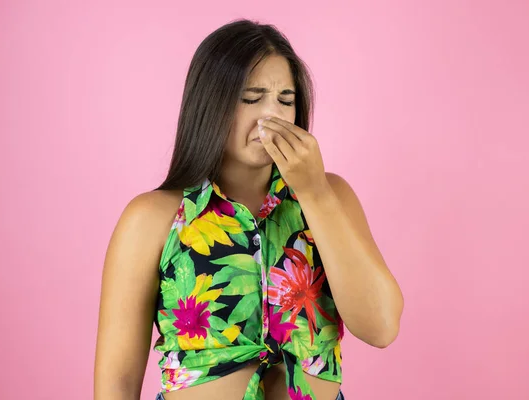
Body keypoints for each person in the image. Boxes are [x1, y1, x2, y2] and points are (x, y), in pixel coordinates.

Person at [94, 18, 404, 400]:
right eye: (251, 98)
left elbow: (382, 326)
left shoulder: (330, 196)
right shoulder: (152, 217)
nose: (270, 116)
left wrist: (315, 193)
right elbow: (117, 382)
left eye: (285, 100)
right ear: (212, 104)